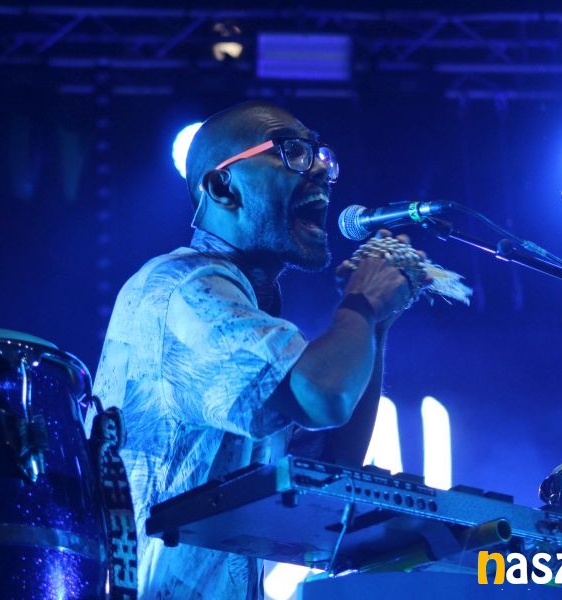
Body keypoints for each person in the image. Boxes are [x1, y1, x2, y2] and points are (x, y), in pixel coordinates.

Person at [93, 100, 417, 598]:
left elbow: (332, 461)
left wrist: (375, 326)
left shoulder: (246, 315)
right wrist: (362, 302)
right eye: (292, 152)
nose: (320, 172)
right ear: (223, 187)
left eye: (321, 157)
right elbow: (324, 396)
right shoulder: (185, 288)